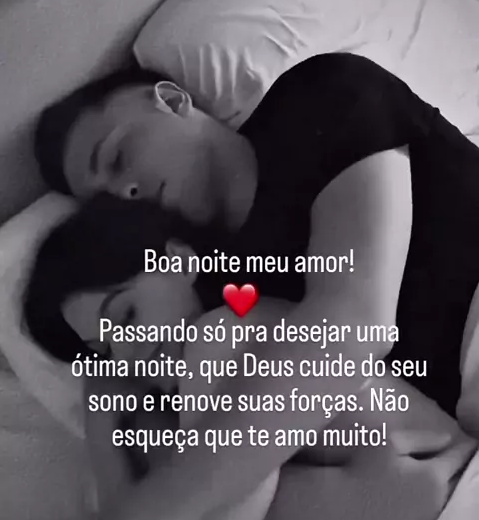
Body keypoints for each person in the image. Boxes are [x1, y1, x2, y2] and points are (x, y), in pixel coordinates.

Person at [34, 52, 479, 416]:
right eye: (106, 200)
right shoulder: (194, 288)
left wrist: (164, 503)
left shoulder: (318, 98)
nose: (126, 192)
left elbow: (354, 327)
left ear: (170, 100)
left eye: (117, 158)